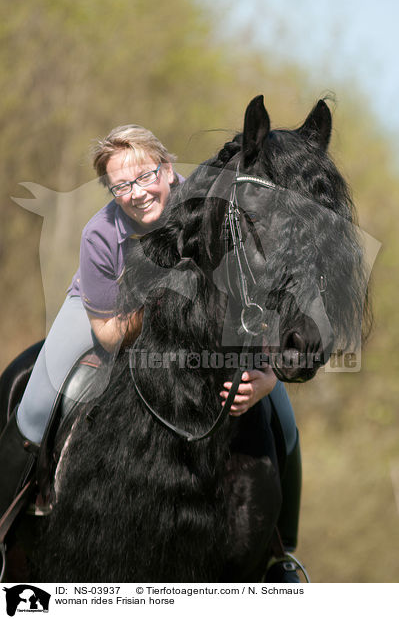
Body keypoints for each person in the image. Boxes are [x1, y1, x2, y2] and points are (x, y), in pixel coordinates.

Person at [0, 125, 300, 564]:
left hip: (195, 325)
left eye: (145, 176)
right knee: (34, 404)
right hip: (109, 315)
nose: (137, 192)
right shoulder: (99, 233)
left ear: (168, 168)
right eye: (121, 184)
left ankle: (281, 555)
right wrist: (162, 315)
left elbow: (248, 291)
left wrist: (269, 376)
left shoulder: (208, 206)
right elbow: (107, 332)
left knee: (284, 417)